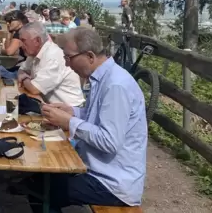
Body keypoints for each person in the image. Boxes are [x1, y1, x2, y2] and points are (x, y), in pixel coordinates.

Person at [41, 27, 146, 209]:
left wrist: (69, 122)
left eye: (69, 58)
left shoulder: (115, 85)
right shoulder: (103, 77)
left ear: (90, 56)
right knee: (45, 177)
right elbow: (99, 117)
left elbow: (109, 141)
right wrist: (73, 112)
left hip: (113, 184)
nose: (67, 64)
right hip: (101, 173)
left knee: (44, 188)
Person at [16, 22, 85, 106]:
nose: (20, 45)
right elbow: (22, 69)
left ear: (37, 41)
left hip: (69, 111)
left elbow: (34, 89)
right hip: (48, 106)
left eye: (23, 41)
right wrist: (23, 76)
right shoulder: (34, 52)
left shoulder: (52, 56)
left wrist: (24, 79)